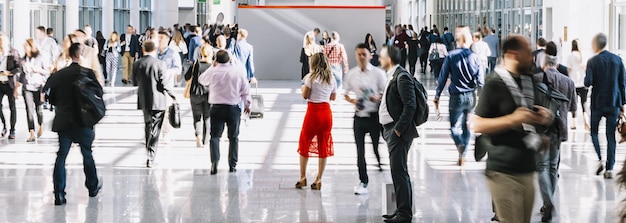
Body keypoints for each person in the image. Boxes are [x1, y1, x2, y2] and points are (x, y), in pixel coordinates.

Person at [474, 34, 554, 223]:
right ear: (512, 54)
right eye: (528, 53)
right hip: (503, 172)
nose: (532, 57)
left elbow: (527, 119)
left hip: (527, 169)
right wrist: (512, 120)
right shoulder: (494, 83)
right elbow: (477, 123)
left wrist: (544, 118)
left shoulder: (528, 80)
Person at [45, 43, 103, 206]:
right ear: (80, 55)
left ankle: (59, 193)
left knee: (62, 155)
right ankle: (92, 186)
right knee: (87, 153)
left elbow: (50, 96)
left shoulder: (59, 75)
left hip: (64, 121)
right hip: (83, 120)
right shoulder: (87, 73)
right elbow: (98, 93)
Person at [534, 41, 577, 222]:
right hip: (559, 129)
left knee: (542, 167)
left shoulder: (536, 81)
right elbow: (573, 106)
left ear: (544, 63)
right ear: (557, 64)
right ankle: (548, 203)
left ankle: (548, 202)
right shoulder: (568, 81)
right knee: (552, 166)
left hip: (541, 129)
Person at [378, 45, 417, 223]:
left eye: (382, 56)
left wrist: (398, 130)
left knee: (399, 172)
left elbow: (411, 105)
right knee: (399, 172)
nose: (379, 59)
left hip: (398, 133)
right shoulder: (393, 75)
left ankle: (404, 214)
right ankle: (401, 210)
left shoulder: (402, 76)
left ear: (390, 58)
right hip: (392, 131)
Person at [434, 26, 483, 166]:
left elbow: (443, 78)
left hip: (456, 97)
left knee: (454, 127)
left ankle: (460, 145)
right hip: (471, 96)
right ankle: (463, 154)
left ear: (458, 41)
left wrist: (437, 95)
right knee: (467, 126)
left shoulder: (451, 56)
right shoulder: (475, 58)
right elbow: (480, 81)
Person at [198, 50, 250, 174]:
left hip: (216, 108)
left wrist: (212, 66)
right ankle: (232, 165)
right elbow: (245, 90)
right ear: (229, 59)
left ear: (216, 60)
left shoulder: (213, 71)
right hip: (233, 108)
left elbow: (201, 80)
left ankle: (214, 162)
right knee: (233, 137)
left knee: (215, 136)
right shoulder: (238, 71)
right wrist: (248, 104)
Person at [343, 43, 386, 195]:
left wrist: (377, 97)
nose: (361, 57)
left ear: (370, 55)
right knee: (359, 151)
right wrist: (353, 101)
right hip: (359, 117)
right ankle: (364, 180)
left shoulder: (378, 73)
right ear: (355, 55)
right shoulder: (351, 74)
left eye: (364, 54)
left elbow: (386, 92)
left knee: (375, 146)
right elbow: (346, 94)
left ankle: (380, 162)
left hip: (374, 117)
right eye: (359, 54)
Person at [585, 33, 626, 179]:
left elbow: (587, 82)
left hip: (597, 103)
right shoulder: (617, 60)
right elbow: (623, 83)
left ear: (595, 45)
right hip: (614, 102)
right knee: (610, 136)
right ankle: (609, 168)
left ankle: (599, 159)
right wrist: (622, 104)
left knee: (594, 132)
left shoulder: (592, 61)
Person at [294, 52, 337, 190]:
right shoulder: (332, 78)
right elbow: (333, 97)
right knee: (323, 144)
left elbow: (305, 96)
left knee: (304, 142)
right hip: (326, 113)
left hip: (313, 112)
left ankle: (302, 177)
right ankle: (319, 179)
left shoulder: (310, 78)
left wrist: (302, 89)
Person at [133, 40, 171, 168]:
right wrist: (172, 94)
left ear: (143, 49)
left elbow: (134, 82)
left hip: (144, 99)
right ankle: (151, 155)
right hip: (158, 100)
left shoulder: (137, 64)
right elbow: (163, 83)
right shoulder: (160, 64)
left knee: (148, 125)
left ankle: (149, 153)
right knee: (156, 128)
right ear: (154, 50)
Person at [18, 39, 49, 142]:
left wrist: (37, 69)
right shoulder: (23, 59)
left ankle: (41, 125)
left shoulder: (40, 57)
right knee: (29, 110)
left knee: (38, 109)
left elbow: (46, 71)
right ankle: (31, 132)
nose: (25, 49)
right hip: (27, 87)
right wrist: (18, 85)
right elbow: (22, 73)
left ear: (32, 46)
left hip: (38, 86)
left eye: (26, 46)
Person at [156, 31, 182, 144]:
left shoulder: (173, 53)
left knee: (166, 111)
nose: (159, 40)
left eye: (161, 37)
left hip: (167, 86)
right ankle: (153, 132)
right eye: (158, 37)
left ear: (167, 39)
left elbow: (178, 69)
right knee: (154, 110)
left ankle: (166, 133)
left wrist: (168, 72)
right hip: (154, 86)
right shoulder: (154, 52)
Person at [185, 43, 213, 148]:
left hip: (195, 93)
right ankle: (206, 141)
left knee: (196, 117)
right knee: (207, 117)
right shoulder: (212, 66)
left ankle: (198, 136)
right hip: (208, 94)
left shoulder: (195, 64)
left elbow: (186, 76)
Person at [567, 39, 589, 130]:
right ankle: (586, 121)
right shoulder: (582, 55)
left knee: (574, 103)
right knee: (584, 103)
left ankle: (574, 123)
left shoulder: (570, 56)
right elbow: (585, 68)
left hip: (573, 82)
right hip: (583, 82)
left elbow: (568, 69)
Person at [0, 37, 20, 139]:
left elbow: (18, 67)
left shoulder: (13, 52)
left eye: (2, 42)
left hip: (10, 83)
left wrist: (10, 73)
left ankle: (12, 130)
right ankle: (4, 126)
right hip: (0, 83)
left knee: (12, 106)